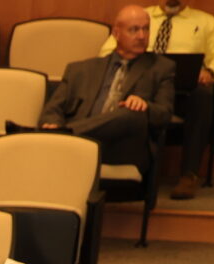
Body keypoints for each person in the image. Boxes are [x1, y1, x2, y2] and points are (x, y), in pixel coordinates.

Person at [121, 0, 214, 199]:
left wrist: (211, 70)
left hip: (182, 96)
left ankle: (188, 175)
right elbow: (106, 52)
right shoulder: (139, 18)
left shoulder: (206, 22)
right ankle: (127, 170)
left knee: (203, 95)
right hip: (143, 92)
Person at [36, 6, 173, 176]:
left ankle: (64, 135)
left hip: (122, 148)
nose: (141, 36)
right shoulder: (81, 70)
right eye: (134, 30)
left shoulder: (161, 68)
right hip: (81, 148)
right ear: (116, 33)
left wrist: (145, 105)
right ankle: (65, 135)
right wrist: (52, 121)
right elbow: (52, 109)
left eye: (145, 29)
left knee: (132, 113)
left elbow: (165, 114)